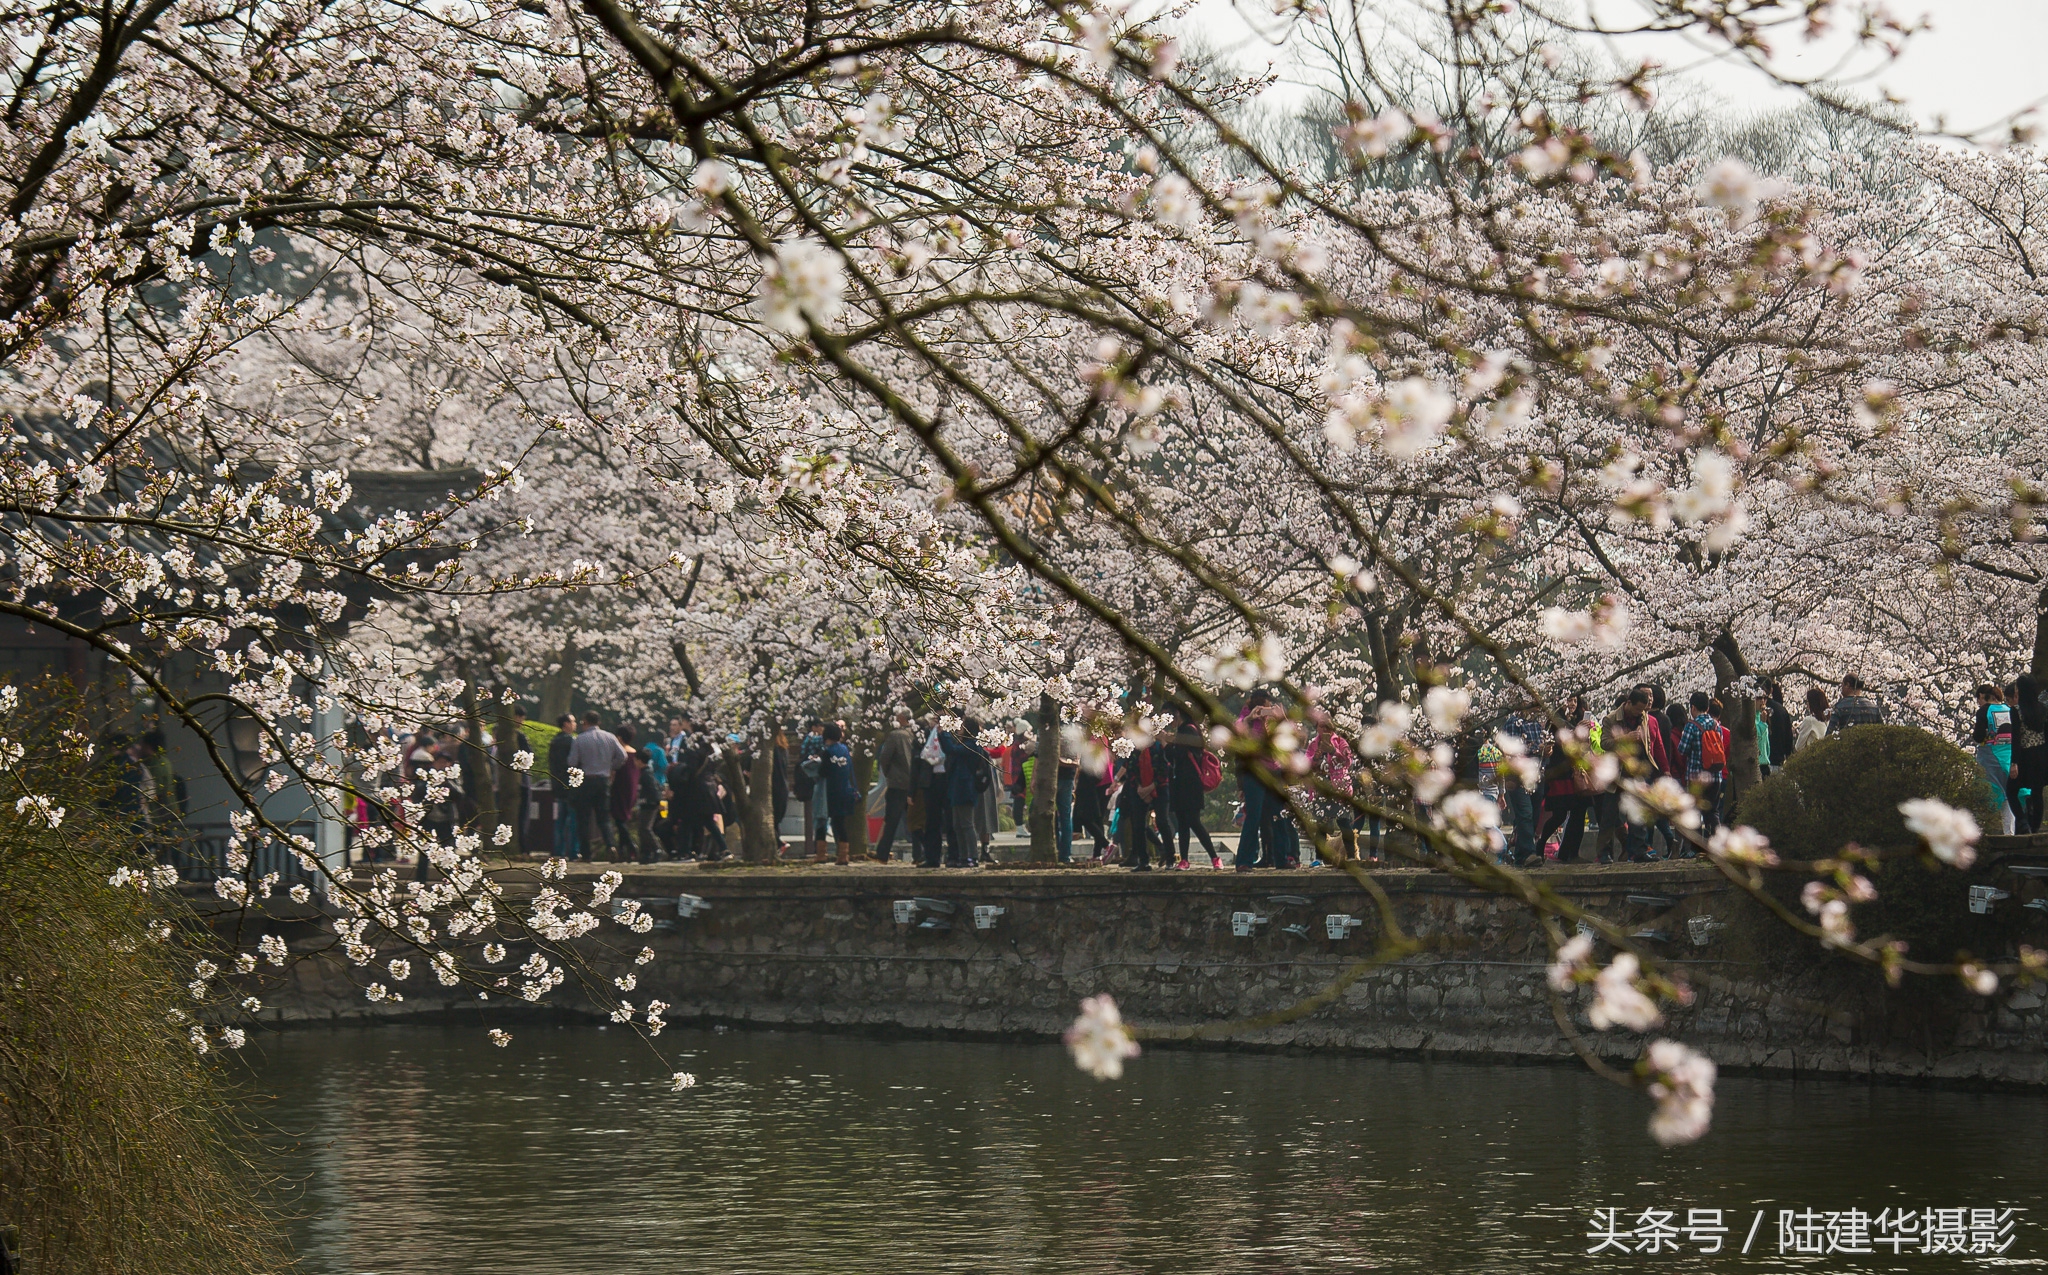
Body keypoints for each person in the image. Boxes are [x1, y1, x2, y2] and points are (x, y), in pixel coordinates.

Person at [1600, 689, 1671, 862]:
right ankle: (1604, 853)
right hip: (1617, 773)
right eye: (1638, 709)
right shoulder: (1611, 719)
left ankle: (1639, 850)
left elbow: (1657, 745)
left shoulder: (1646, 718)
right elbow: (1605, 743)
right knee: (1610, 815)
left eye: (1643, 710)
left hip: (1637, 772)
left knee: (1638, 813)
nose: (1641, 713)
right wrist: (1626, 738)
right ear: (1628, 703)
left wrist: (1664, 769)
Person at [566, 711, 629, 861]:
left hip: (586, 780)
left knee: (584, 818)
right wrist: (610, 767)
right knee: (604, 817)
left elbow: (572, 762)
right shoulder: (610, 737)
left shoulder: (579, 739)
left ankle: (586, 854)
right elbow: (623, 756)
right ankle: (610, 845)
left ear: (585, 722)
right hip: (604, 780)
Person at [1234, 689, 1285, 872]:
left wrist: (1281, 719)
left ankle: (1282, 858)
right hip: (1254, 772)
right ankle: (1244, 861)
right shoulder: (1246, 718)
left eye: (1268, 706)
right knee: (1253, 816)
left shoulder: (1272, 720)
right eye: (1263, 707)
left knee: (1278, 814)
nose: (1266, 710)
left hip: (1274, 770)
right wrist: (1250, 718)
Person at [1498, 699, 1549, 867]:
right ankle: (1528, 853)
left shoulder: (1537, 724)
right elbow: (1512, 751)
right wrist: (1536, 749)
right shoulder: (1513, 723)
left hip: (1536, 775)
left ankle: (1521, 855)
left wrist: (1547, 750)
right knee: (1525, 813)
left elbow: (1542, 753)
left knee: (1533, 814)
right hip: (1518, 777)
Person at [936, 719, 991, 868]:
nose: (959, 729)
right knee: (957, 825)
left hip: (965, 789)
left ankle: (971, 856)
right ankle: (963, 855)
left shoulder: (972, 746)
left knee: (966, 824)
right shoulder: (965, 745)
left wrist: (945, 733)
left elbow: (950, 750)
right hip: (957, 788)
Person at [1166, 724, 1222, 869]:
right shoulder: (1193, 740)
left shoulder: (1188, 745)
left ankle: (1214, 856)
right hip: (1180, 787)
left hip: (1190, 787)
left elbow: (1174, 756)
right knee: (1183, 823)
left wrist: (1167, 743)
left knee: (1193, 822)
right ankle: (1184, 859)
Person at [1303, 718, 1357, 865]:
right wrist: (1317, 754)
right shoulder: (1313, 744)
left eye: (1327, 727)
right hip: (1321, 787)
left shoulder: (1340, 741)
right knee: (1321, 824)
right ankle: (1319, 858)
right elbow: (1307, 764)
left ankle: (1351, 855)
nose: (1324, 730)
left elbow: (1348, 761)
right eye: (1321, 727)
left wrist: (1333, 751)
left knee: (1344, 822)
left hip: (1338, 787)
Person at [1116, 734, 1174, 872]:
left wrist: (1150, 788)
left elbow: (1164, 770)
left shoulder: (1158, 748)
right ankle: (1143, 860)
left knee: (1162, 821)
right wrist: (1140, 789)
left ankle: (1170, 857)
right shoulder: (1134, 750)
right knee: (1138, 824)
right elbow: (1130, 769)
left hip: (1159, 788)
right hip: (1139, 789)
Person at [1678, 693, 1728, 844]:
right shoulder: (1716, 725)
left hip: (1696, 777)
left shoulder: (1691, 726)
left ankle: (1696, 847)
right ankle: (1716, 843)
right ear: (1707, 707)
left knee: (1695, 812)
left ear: (1692, 707)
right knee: (1713, 812)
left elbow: (1682, 749)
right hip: (1715, 776)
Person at [874, 708, 918, 862]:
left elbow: (884, 758)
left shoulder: (895, 736)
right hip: (914, 784)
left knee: (891, 820)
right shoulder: (916, 735)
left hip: (897, 784)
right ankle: (920, 854)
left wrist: (889, 775)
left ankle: (882, 853)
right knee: (915, 821)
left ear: (901, 717)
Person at [815, 722, 862, 865]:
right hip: (845, 790)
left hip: (830, 792)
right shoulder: (844, 750)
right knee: (840, 823)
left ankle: (821, 854)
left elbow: (822, 772)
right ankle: (843, 856)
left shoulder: (827, 752)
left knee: (821, 821)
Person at [1972, 684, 2015, 836]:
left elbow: (1978, 736)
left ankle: (1977, 832)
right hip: (2009, 758)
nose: (1978, 702)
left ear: (1983, 696)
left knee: (1984, 793)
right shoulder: (2009, 710)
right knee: (2008, 795)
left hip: (1990, 758)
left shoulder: (1984, 711)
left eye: (1978, 699)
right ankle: (2009, 832)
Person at [2008, 674, 2048, 835]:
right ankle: (2035, 828)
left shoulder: (2016, 711)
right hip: (2041, 755)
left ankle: (2023, 822)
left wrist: (2014, 763)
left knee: (2011, 791)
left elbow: (2016, 739)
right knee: (2037, 792)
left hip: (2024, 756)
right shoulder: (2044, 709)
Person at [546, 715, 578, 858]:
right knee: (573, 820)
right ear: (566, 724)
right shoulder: (571, 741)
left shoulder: (554, 741)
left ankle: (557, 850)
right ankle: (572, 852)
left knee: (560, 820)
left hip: (558, 785)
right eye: (573, 721)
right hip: (571, 785)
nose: (575, 724)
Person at [1762, 683, 1796, 777]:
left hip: (1763, 762)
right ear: (1771, 690)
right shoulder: (1781, 710)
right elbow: (1788, 737)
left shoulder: (1756, 711)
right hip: (1779, 760)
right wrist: (1788, 754)